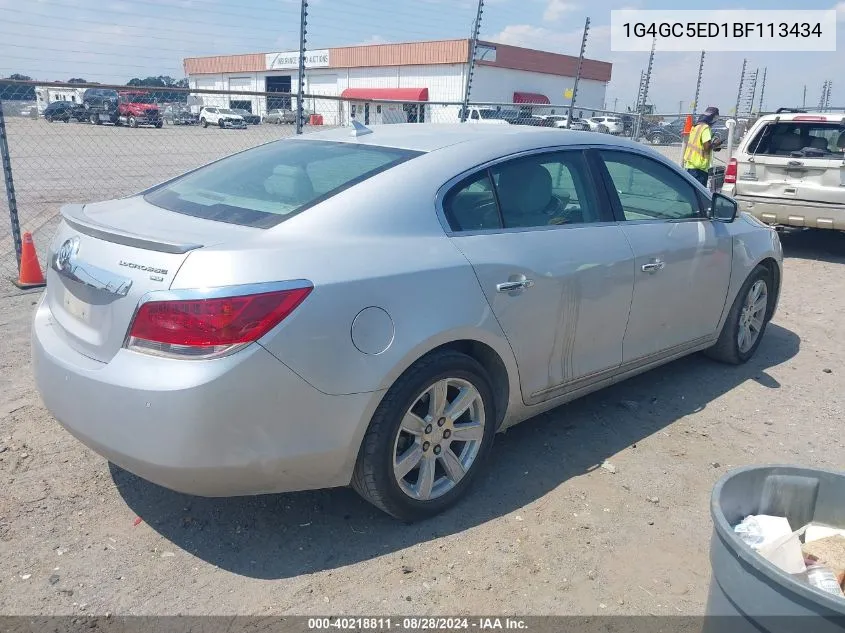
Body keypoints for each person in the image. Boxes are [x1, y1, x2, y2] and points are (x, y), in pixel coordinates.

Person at [683, 106, 723, 187]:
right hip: (699, 168)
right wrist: (717, 144)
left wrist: (714, 146)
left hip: (690, 165)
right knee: (699, 194)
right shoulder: (705, 128)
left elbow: (699, 145)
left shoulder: (696, 127)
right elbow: (706, 148)